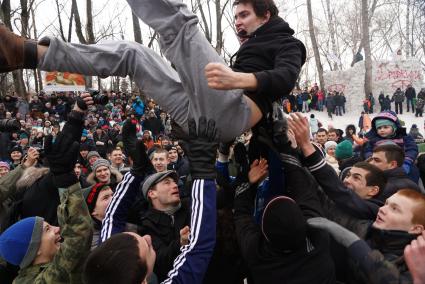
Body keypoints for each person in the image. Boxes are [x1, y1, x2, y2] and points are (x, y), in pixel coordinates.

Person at [0, 0, 306, 143]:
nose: (237, 22)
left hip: (232, 113)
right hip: (201, 117)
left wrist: (239, 79)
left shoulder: (288, 43)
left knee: (180, 25)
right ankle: (25, 53)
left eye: (244, 15)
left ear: (266, 16)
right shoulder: (252, 47)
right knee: (132, 55)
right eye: (235, 15)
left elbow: (286, 78)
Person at [85, 117, 219, 284]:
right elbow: (199, 248)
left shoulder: (109, 266)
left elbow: (112, 218)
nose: (147, 238)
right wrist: (204, 172)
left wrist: (136, 171)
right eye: (147, 247)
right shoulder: (149, 222)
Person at [0, 94, 94, 283]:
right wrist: (75, 117)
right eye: (48, 229)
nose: (58, 229)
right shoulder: (41, 187)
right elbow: (78, 235)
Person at [364, 111, 419, 182]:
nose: (382, 130)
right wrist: (371, 158)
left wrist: (407, 161)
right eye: (379, 128)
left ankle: (411, 187)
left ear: (394, 127)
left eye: (385, 127)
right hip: (381, 163)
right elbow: (367, 150)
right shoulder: (374, 139)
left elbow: (412, 148)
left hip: (401, 162)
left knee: (413, 171)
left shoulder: (404, 136)